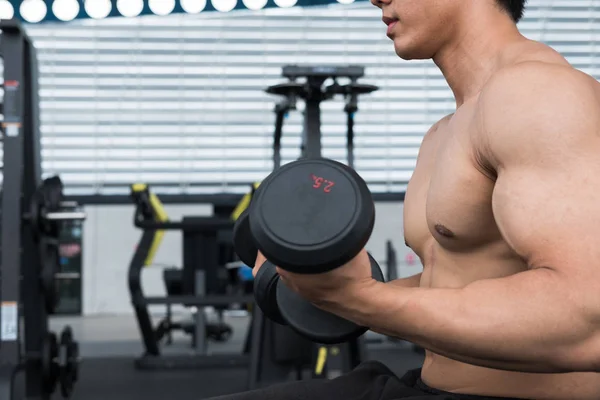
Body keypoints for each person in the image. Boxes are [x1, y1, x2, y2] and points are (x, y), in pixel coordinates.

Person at [212, 1, 600, 399]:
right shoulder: (446, 130)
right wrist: (323, 289)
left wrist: (359, 298)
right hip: (426, 385)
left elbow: (586, 320)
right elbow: (455, 280)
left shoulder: (540, 95)